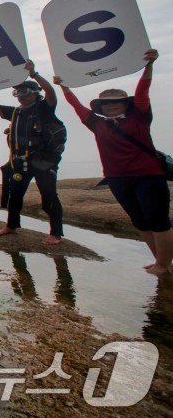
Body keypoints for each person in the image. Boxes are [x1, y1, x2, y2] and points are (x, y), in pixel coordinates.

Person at [54, 49, 170, 274]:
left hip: (148, 176)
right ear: (100, 107)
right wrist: (63, 86)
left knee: (158, 221)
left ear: (127, 104)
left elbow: (143, 91)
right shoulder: (97, 123)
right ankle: (161, 260)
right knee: (139, 221)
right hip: (117, 179)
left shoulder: (140, 117)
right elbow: (76, 105)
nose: (110, 105)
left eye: (116, 102)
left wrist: (149, 65)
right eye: (106, 103)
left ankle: (164, 265)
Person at [0, 60, 66, 245]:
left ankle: (55, 234)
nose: (20, 96)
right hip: (20, 162)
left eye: (24, 92)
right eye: (17, 93)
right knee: (15, 196)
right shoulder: (16, 112)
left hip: (44, 162)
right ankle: (11, 226)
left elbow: (51, 92)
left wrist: (34, 74)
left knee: (49, 197)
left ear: (35, 93)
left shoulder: (44, 108)